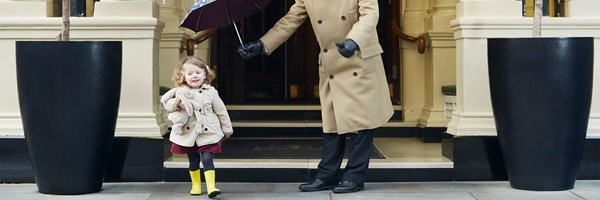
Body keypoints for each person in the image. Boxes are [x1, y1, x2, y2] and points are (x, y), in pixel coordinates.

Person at [237, 0, 393, 194]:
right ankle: (327, 175)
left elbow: (370, 15)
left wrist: (354, 40)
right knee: (332, 121)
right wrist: (262, 44)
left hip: (358, 58)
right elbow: (290, 20)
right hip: (331, 63)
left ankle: (354, 177)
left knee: (363, 122)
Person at [161, 56, 233, 198]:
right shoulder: (179, 92)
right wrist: (177, 104)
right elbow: (167, 105)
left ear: (205, 74)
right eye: (190, 74)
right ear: (182, 77)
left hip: (208, 131)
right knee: (193, 160)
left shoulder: (211, 92)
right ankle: (196, 185)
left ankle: (211, 187)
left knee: (207, 158)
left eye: (198, 73)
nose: (194, 76)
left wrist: (227, 128)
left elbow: (221, 111)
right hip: (190, 133)